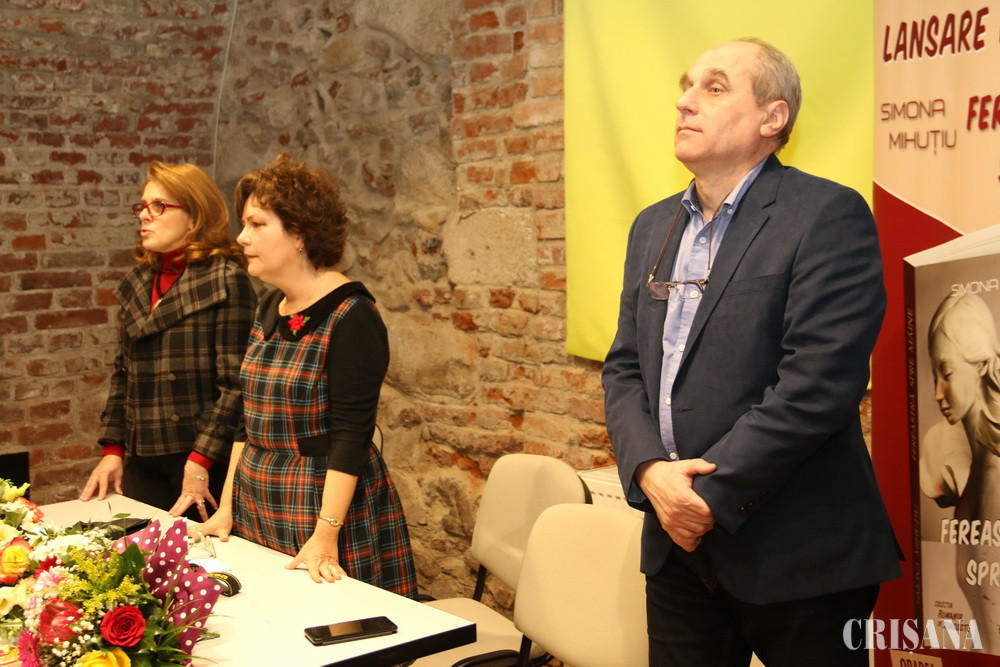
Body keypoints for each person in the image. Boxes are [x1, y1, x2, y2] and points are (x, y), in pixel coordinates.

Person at [601, 38, 902, 666]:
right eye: (685, 86)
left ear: (773, 117)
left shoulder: (825, 214)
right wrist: (651, 473)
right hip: (678, 550)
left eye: (713, 88)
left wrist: (702, 498)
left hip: (799, 555)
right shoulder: (652, 226)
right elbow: (625, 368)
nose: (685, 102)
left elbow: (817, 385)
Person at [192, 153, 417, 598]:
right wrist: (228, 506)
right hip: (261, 496)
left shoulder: (351, 314)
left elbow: (352, 436)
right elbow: (246, 422)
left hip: (319, 501)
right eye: (244, 224)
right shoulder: (269, 305)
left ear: (299, 234)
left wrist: (327, 532)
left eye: (257, 224)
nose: (242, 237)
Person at [80, 161, 257, 522]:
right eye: (143, 206)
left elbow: (236, 384)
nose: (145, 215)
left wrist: (201, 458)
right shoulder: (138, 281)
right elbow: (123, 375)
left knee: (201, 557)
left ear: (194, 217)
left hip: (200, 459)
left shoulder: (225, 280)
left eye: (159, 206)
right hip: (142, 457)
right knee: (134, 550)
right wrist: (113, 448)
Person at [926, 291, 1000, 652]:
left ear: (981, 365)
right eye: (933, 375)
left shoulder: (993, 479)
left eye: (948, 372)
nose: (938, 393)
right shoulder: (974, 474)